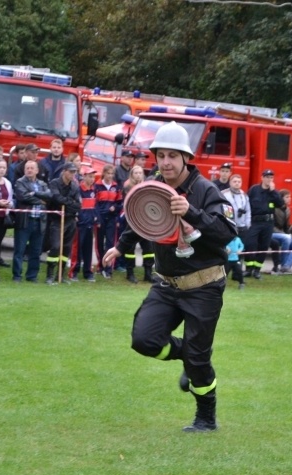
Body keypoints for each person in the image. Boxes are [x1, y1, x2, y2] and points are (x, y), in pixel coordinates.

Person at [103, 122, 236, 432]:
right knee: (143, 339)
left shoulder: (206, 190)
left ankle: (206, 418)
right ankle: (186, 356)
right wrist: (120, 247)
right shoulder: (154, 185)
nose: (165, 162)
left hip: (203, 286)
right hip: (166, 285)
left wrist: (191, 212)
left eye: (172, 156)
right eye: (160, 155)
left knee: (200, 360)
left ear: (186, 158)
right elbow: (138, 219)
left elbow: (226, 234)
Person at [13, 160, 52, 282]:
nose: (29, 170)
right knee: (19, 250)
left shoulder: (42, 183)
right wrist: (40, 200)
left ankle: (32, 276)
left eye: (31, 168)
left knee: (36, 251)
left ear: (37, 170)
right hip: (25, 220)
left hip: (39, 221)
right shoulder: (20, 182)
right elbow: (23, 196)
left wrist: (34, 193)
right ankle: (17, 276)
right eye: (27, 168)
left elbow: (49, 196)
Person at [243, 169, 284, 279]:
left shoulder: (274, 192)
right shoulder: (254, 189)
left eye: (271, 177)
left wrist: (273, 191)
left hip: (268, 223)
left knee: (264, 246)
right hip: (255, 221)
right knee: (250, 244)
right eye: (267, 177)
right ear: (262, 178)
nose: (269, 179)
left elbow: (281, 204)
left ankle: (257, 270)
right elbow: (246, 202)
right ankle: (248, 268)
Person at [45, 163, 81, 284]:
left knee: (66, 248)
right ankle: (49, 275)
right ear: (64, 171)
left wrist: (67, 204)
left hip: (70, 220)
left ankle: (60, 275)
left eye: (74, 172)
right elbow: (56, 198)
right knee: (55, 247)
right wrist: (70, 202)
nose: (72, 174)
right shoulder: (54, 183)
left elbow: (78, 205)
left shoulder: (75, 186)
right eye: (70, 172)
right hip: (57, 220)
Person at [71, 164, 98, 282]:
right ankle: (74, 272)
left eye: (93, 177)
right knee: (77, 249)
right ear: (84, 176)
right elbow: (75, 205)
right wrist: (77, 216)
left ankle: (88, 272)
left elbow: (95, 206)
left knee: (88, 249)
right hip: (80, 224)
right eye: (90, 176)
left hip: (90, 224)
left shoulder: (93, 190)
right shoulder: (79, 189)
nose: (92, 179)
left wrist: (95, 218)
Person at [95, 164, 122, 279]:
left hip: (111, 218)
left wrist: (115, 208)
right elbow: (94, 203)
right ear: (104, 173)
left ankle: (108, 268)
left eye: (112, 174)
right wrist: (97, 218)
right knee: (99, 244)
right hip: (101, 217)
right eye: (108, 173)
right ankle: (101, 266)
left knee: (110, 244)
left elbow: (120, 202)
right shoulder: (97, 186)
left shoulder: (116, 187)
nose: (110, 176)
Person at [270, 189, 292, 274]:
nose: (290, 199)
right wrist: (285, 235)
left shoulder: (288, 210)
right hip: (271, 233)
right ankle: (283, 265)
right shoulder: (274, 208)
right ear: (281, 198)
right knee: (286, 238)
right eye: (287, 197)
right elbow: (271, 225)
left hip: (283, 235)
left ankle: (287, 266)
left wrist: (289, 234)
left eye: (290, 197)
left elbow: (286, 226)